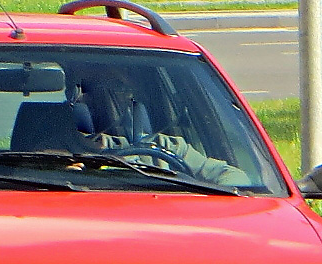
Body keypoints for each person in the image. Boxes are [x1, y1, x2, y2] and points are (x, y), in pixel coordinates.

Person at [69, 66, 248, 187]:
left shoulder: (169, 148)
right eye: (95, 89)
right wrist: (66, 176)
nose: (112, 97)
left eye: (121, 88)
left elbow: (236, 179)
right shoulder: (63, 155)